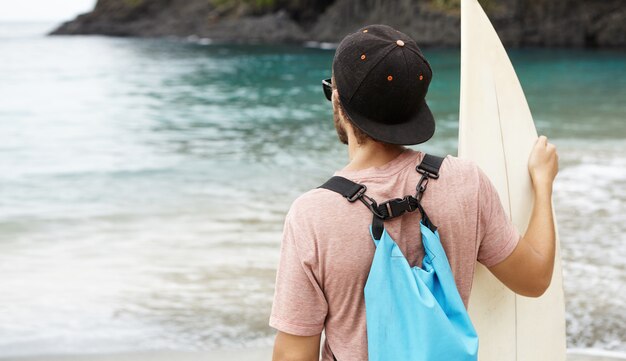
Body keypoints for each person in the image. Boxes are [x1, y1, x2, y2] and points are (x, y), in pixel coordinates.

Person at [269, 24, 558, 361]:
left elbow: (293, 355)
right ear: (415, 108)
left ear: (337, 99)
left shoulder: (313, 215)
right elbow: (534, 279)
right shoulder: (466, 182)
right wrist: (542, 186)